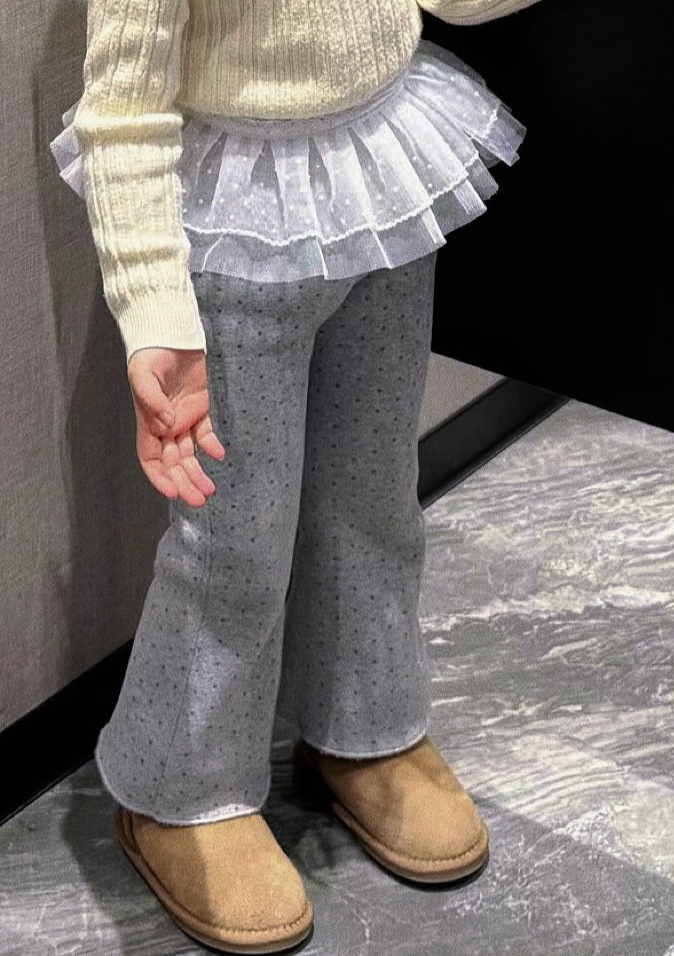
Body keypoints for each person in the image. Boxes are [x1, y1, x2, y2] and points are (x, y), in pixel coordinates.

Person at [50, 0, 541, 951]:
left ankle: (366, 722)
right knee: (235, 538)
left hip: (381, 162)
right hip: (236, 212)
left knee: (372, 493)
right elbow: (124, 108)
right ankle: (183, 786)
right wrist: (154, 313)